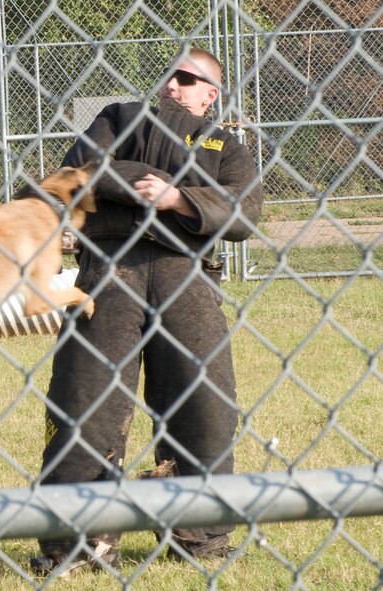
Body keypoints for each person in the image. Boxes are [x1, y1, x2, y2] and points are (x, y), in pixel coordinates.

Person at [29, 47, 264, 577]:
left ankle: (197, 535)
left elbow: (245, 209)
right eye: (170, 75)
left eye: (189, 78)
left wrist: (179, 198)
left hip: (188, 274)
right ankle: (77, 541)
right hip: (110, 268)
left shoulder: (226, 144)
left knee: (204, 404)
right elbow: (82, 171)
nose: (174, 85)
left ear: (212, 94)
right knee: (85, 400)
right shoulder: (120, 116)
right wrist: (150, 186)